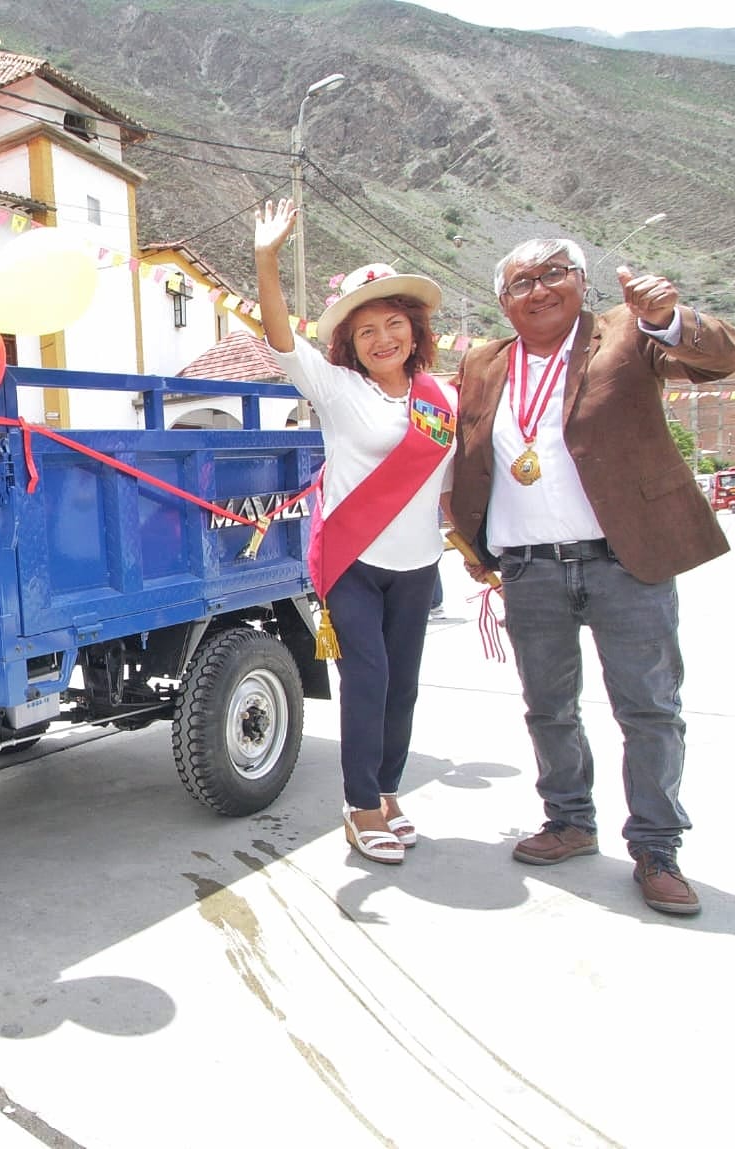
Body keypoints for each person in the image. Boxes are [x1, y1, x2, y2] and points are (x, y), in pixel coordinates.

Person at [450, 240, 735, 916]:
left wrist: (671, 318)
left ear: (583, 283)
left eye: (556, 273)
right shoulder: (482, 363)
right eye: (522, 279)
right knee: (548, 706)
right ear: (504, 301)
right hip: (529, 569)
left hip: (626, 562)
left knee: (648, 709)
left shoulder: (627, 333)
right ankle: (569, 820)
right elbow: (465, 453)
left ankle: (656, 846)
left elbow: (723, 357)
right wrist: (469, 541)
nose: (540, 288)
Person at [254, 198, 455, 866]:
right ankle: (359, 804)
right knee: (367, 680)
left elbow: (451, 485)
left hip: (419, 563)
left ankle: (389, 791)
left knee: (404, 686)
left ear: (414, 329)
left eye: (392, 324)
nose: (381, 339)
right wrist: (267, 257)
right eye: (366, 330)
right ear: (350, 343)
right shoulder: (337, 388)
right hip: (354, 563)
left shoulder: (440, 398)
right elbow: (281, 336)